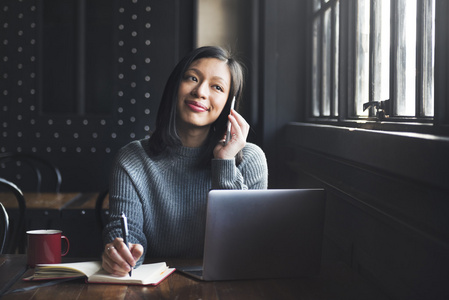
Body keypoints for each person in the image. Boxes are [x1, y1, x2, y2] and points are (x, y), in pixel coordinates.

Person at [102, 46, 268, 276]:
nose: (200, 92)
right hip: (154, 286)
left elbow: (247, 247)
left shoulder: (250, 159)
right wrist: (122, 254)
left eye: (217, 87)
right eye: (192, 78)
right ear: (174, 86)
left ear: (229, 105)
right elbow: (126, 233)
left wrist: (225, 162)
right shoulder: (132, 158)